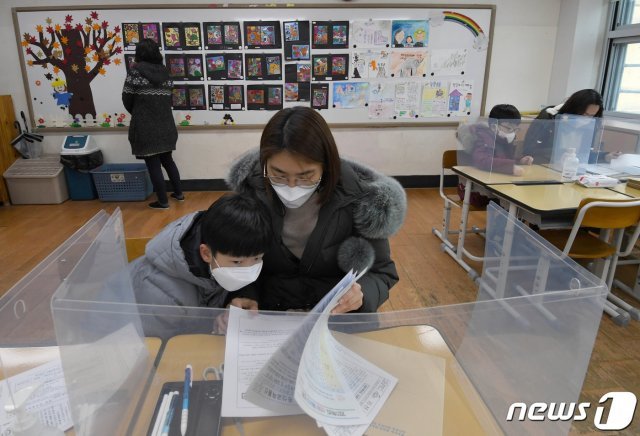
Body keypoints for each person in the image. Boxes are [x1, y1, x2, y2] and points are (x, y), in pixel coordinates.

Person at [226, 106, 406, 313]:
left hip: (334, 318)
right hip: (268, 316)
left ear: (326, 166)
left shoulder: (362, 201)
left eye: (305, 176)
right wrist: (245, 295)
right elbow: (235, 261)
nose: (291, 186)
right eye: (278, 174)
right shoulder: (250, 196)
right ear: (264, 164)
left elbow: (382, 273)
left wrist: (362, 293)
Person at [128, 193, 271, 310]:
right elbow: (158, 343)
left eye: (257, 258)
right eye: (237, 262)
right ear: (206, 254)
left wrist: (233, 302)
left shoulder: (220, 252)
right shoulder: (158, 290)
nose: (247, 271)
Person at [122, 38, 184, 209]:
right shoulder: (166, 73)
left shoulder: (135, 72)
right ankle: (179, 194)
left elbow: (127, 98)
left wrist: (139, 113)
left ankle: (163, 201)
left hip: (145, 126)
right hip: (166, 125)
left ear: (139, 54)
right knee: (168, 160)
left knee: (153, 163)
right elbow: (168, 98)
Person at [457, 104, 533, 207]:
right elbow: (483, 160)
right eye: (509, 128)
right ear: (494, 126)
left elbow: (502, 158)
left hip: (496, 186)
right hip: (475, 192)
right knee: (515, 202)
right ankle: (504, 221)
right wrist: (510, 167)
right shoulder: (483, 137)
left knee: (519, 200)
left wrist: (519, 160)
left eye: (515, 130)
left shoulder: (502, 139)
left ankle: (507, 221)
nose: (513, 133)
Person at [523, 89, 619, 164]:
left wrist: (605, 156)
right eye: (585, 114)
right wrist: (560, 157)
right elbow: (529, 149)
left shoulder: (591, 125)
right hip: (544, 166)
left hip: (571, 169)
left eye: (592, 116)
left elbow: (584, 155)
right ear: (574, 108)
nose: (587, 119)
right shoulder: (549, 117)